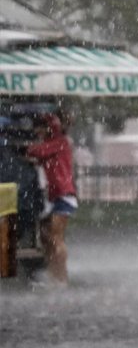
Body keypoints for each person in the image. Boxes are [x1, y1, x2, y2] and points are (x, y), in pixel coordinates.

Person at [24, 113, 76, 285]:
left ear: (47, 128)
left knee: (56, 237)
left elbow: (35, 151)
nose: (37, 133)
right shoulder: (53, 144)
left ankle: (62, 278)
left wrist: (28, 148)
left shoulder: (59, 142)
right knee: (46, 237)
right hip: (53, 197)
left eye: (39, 129)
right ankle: (53, 274)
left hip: (63, 195)